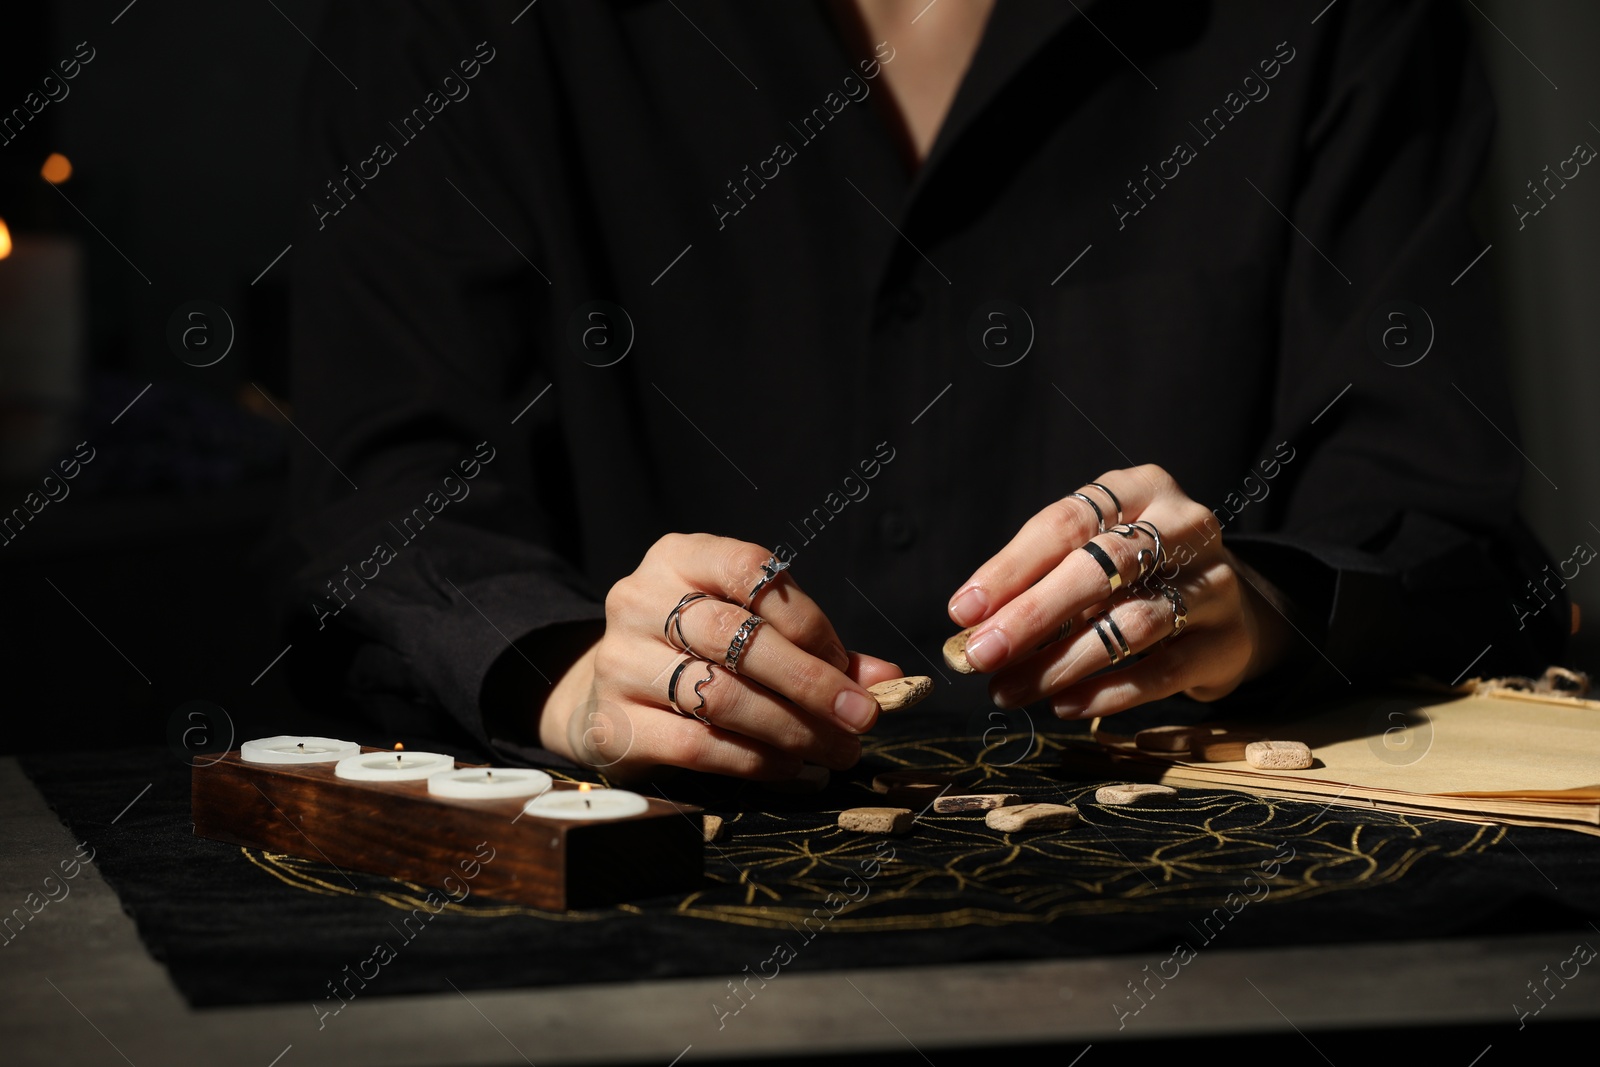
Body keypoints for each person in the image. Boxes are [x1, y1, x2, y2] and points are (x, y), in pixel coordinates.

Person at [283, 0, 1567, 781]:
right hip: (607, 961)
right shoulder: (459, 23)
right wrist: (568, 675)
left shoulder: (1342, 19)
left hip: (1209, 943)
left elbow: (1440, 515)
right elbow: (383, 489)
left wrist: (1257, 609)